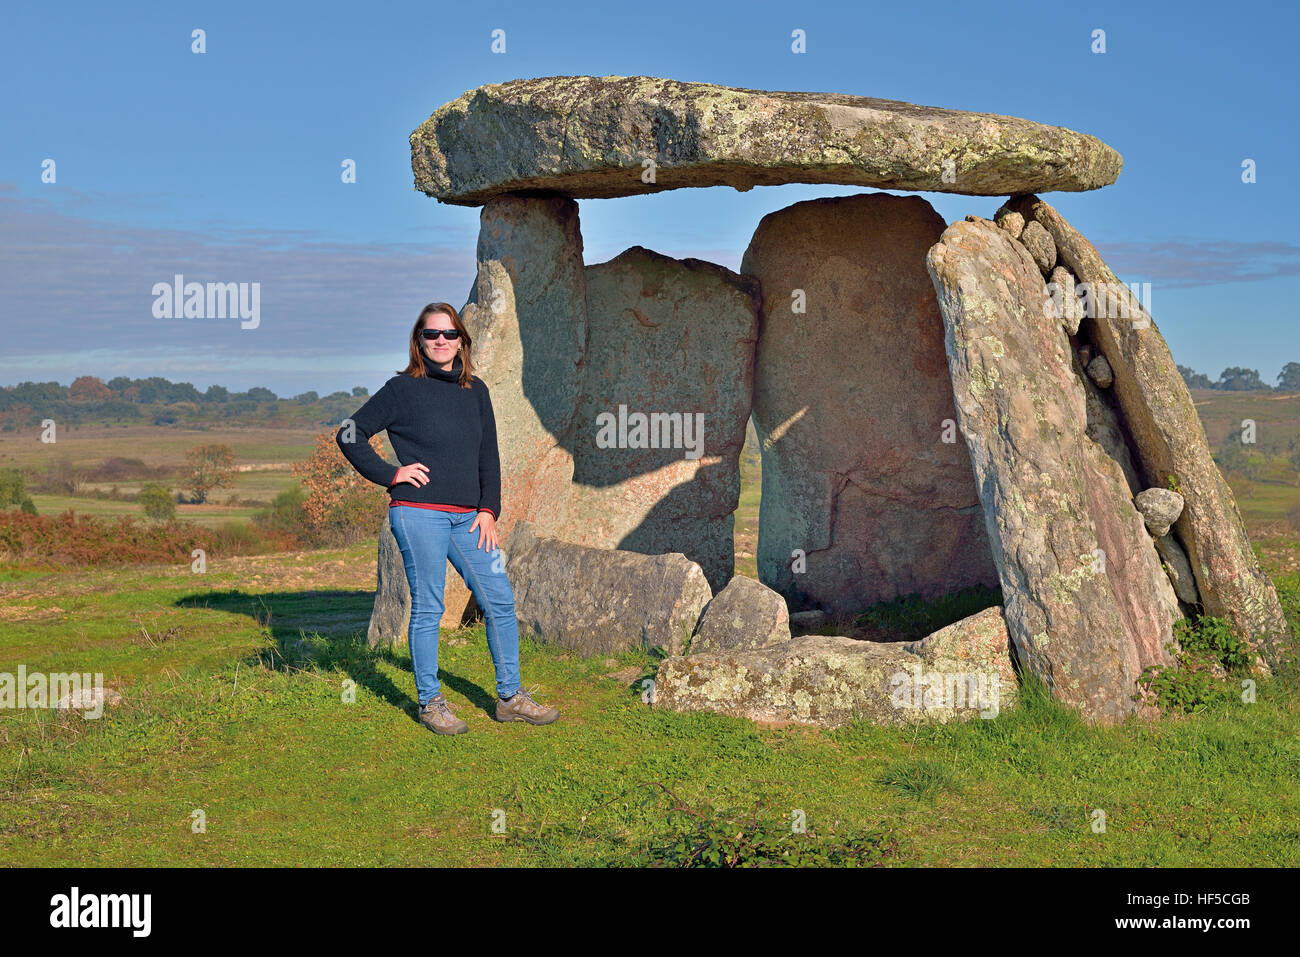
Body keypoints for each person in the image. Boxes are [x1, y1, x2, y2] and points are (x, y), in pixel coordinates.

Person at [336, 302, 559, 735]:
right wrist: (391, 473)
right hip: (419, 514)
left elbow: (487, 457)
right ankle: (430, 703)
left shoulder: (476, 391)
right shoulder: (401, 390)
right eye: (431, 334)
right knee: (429, 607)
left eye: (449, 334)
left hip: (470, 521)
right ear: (419, 341)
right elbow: (349, 432)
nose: (441, 341)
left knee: (500, 599)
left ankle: (511, 698)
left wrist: (489, 510)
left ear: (462, 340)